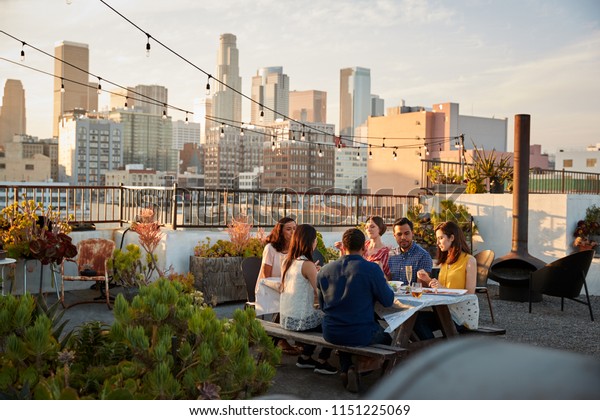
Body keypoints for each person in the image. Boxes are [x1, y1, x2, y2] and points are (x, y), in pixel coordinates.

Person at [318, 228, 395, 392]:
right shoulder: (371, 269)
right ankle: (360, 369)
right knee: (390, 339)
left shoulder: (325, 270)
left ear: (343, 246)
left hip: (330, 331)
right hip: (360, 332)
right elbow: (388, 301)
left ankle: (347, 369)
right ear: (364, 247)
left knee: (348, 332)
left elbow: (323, 305)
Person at [279, 224, 337, 375]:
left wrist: (313, 273)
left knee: (320, 316)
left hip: (286, 319)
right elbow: (321, 294)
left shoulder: (287, 261)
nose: (316, 241)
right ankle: (322, 361)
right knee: (336, 321)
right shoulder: (307, 264)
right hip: (300, 322)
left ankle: (305, 357)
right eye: (315, 239)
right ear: (310, 241)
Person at [414, 221, 477, 339]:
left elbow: (470, 294)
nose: (437, 243)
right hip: (444, 312)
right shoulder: (445, 261)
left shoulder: (469, 260)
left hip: (460, 316)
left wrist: (442, 288)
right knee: (414, 319)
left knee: (417, 321)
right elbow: (441, 289)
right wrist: (428, 280)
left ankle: (433, 350)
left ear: (452, 237)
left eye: (441, 238)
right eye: (437, 239)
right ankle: (432, 349)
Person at [257, 216, 300, 355]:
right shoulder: (270, 248)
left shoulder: (296, 248)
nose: (293, 232)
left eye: (294, 229)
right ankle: (280, 340)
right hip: (269, 288)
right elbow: (266, 276)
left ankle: (299, 339)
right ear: (280, 231)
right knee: (291, 300)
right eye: (289, 229)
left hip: (289, 287)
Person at [388, 217, 433, 285]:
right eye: (399, 234)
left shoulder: (423, 256)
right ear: (394, 236)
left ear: (412, 233)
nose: (403, 237)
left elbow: (422, 288)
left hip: (413, 295)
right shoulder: (391, 255)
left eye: (406, 233)